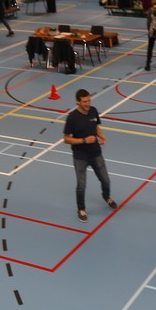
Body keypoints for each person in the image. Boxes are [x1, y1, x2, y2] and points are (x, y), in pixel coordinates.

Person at [63, 89, 116, 222]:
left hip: (96, 153)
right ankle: (81, 209)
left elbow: (96, 126)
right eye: (84, 101)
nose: (87, 103)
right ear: (78, 102)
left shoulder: (93, 111)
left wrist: (102, 136)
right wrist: (84, 140)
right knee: (81, 186)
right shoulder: (72, 117)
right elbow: (66, 139)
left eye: (89, 100)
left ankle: (106, 196)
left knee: (106, 180)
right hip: (80, 157)